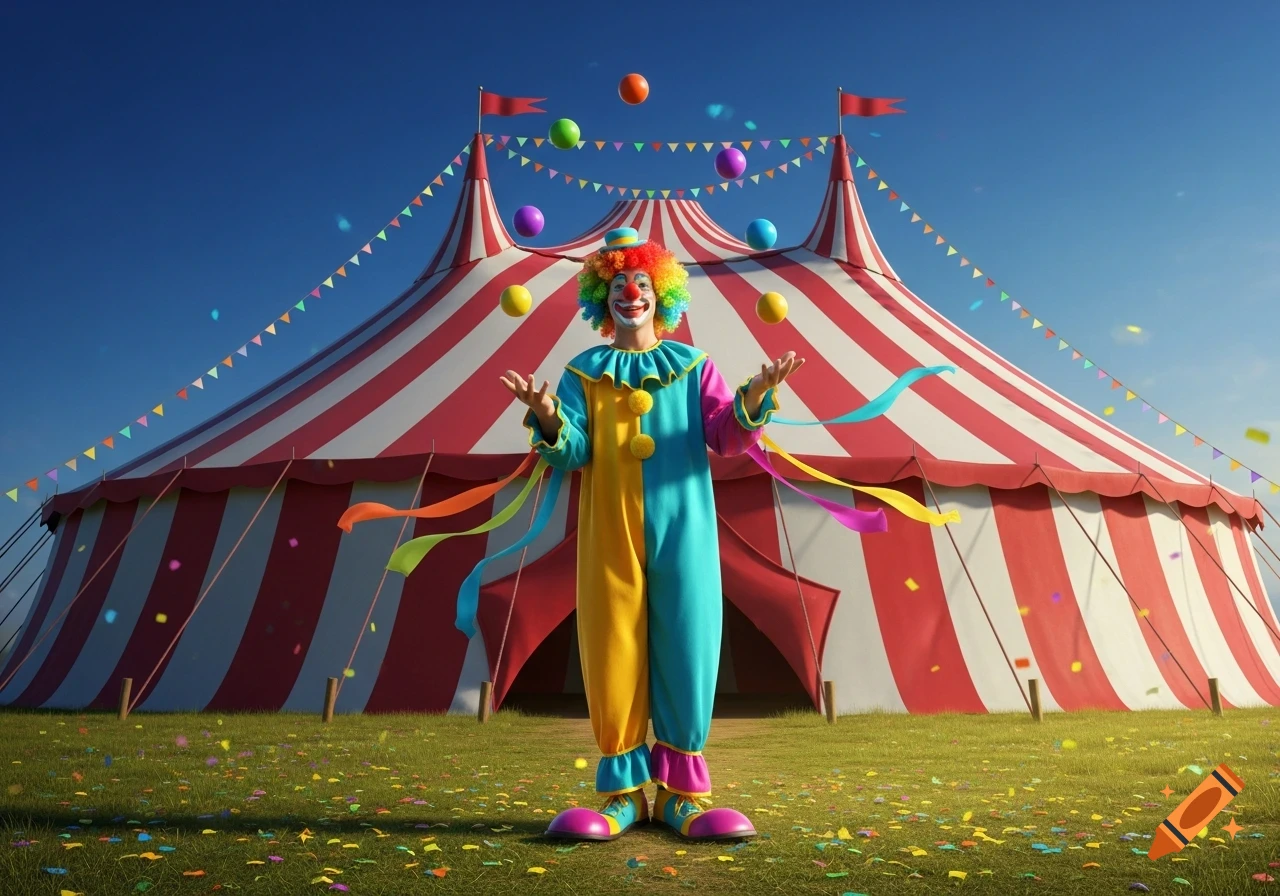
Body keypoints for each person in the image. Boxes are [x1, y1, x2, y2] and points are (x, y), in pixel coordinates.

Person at [497, 228, 803, 841]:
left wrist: (758, 394)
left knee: (689, 641)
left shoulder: (694, 366)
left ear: (660, 294)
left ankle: (682, 795)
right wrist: (549, 413)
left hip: (684, 528)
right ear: (599, 297)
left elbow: (725, 435)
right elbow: (572, 451)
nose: (629, 293)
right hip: (609, 530)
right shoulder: (584, 370)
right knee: (613, 645)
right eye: (616, 284)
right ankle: (623, 795)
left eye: (640, 283)